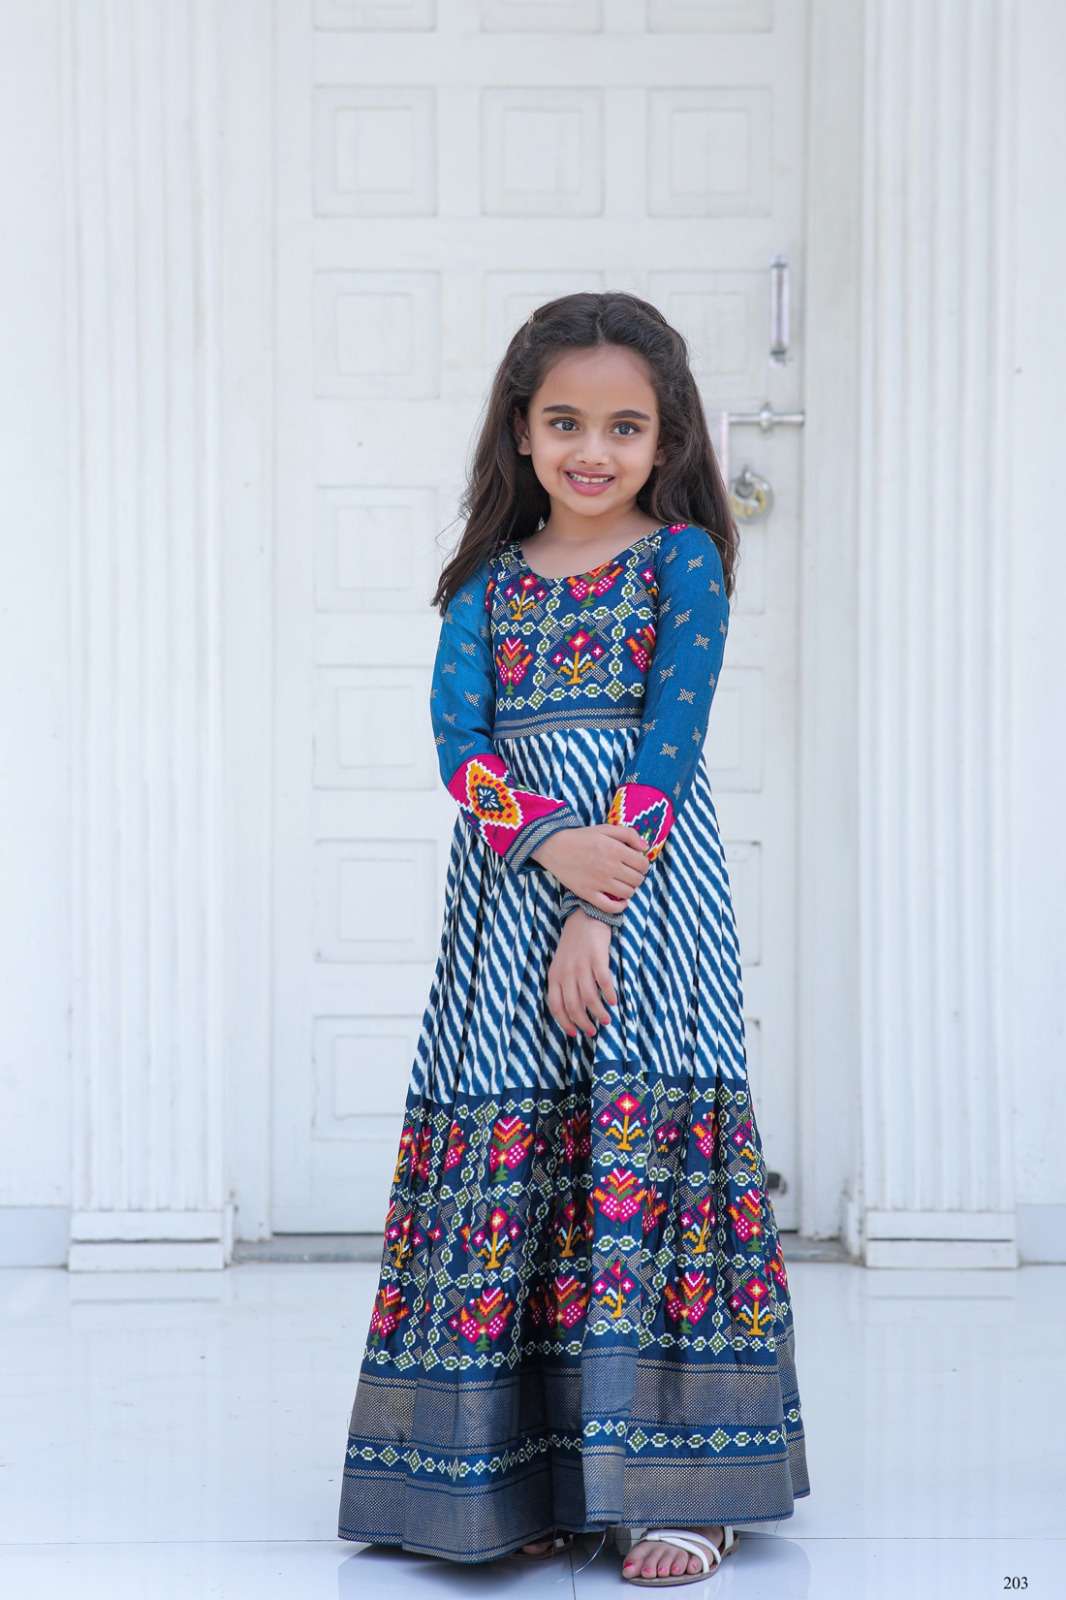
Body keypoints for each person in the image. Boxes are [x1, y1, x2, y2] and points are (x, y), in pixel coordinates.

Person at [336, 290, 810, 1586]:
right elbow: (462, 747)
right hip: (508, 896)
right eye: (564, 423)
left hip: (648, 888)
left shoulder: (682, 562)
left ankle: (682, 1492)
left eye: (623, 427)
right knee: (519, 1142)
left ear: (667, 440)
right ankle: (513, 1484)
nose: (591, 450)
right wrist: (549, 849)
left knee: (639, 1139)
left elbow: (672, 735)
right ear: (520, 430)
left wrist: (602, 902)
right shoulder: (487, 584)